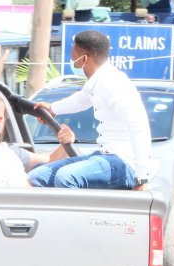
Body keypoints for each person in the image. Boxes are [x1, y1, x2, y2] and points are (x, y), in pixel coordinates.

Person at [29, 30, 157, 190]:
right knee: (36, 177)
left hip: (124, 162)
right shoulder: (97, 81)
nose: (71, 59)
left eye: (73, 54)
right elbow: (81, 100)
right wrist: (52, 108)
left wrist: (142, 176)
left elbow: (139, 125)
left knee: (65, 178)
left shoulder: (113, 83)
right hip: (105, 156)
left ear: (84, 59)